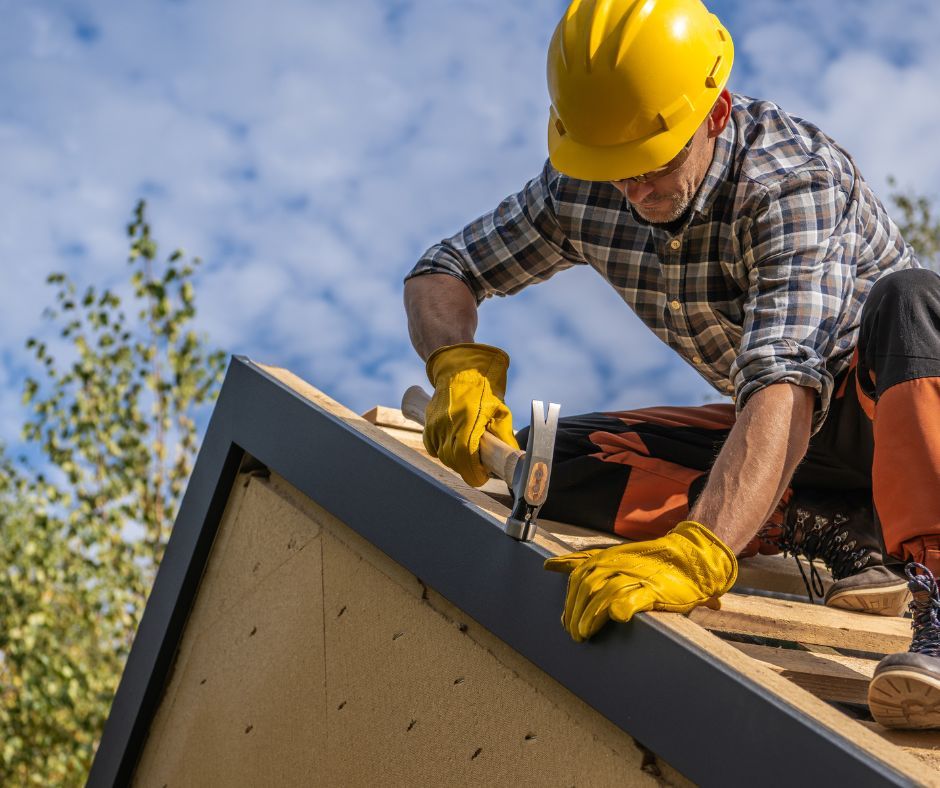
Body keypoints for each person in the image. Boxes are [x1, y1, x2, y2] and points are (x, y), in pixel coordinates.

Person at [403, 0, 940, 730]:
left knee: (914, 301)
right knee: (550, 462)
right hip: (798, 442)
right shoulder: (584, 185)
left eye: (650, 165)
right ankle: (836, 525)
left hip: (893, 413)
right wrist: (456, 366)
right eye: (611, 168)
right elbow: (446, 268)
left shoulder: (791, 183)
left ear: (713, 115)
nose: (632, 190)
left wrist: (702, 551)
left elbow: (787, 380)